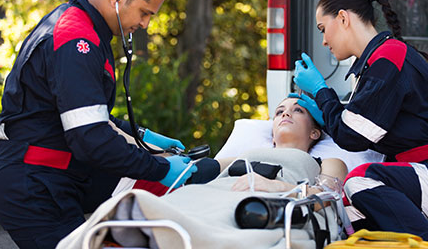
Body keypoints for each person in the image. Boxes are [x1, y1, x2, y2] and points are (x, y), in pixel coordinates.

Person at [0, 0, 197, 248]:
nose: (146, 24)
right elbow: (91, 138)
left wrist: (142, 136)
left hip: (56, 172)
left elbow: (86, 115)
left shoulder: (83, 29)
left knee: (158, 195)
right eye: (145, 12)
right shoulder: (75, 40)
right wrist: (161, 169)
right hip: (31, 183)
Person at [292, 0, 428, 247]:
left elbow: (352, 136)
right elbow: (354, 125)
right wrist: (323, 113)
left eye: (323, 29)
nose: (324, 40)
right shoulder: (377, 63)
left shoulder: (388, 58)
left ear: (343, 18)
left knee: (361, 181)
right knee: (352, 217)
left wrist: (321, 90)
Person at [56, 95, 348, 249]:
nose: (285, 113)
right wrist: (158, 153)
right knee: (162, 206)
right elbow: (190, 172)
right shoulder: (239, 156)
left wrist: (279, 189)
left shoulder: (327, 163)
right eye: (280, 111)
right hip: (206, 195)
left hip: (261, 203)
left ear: (314, 132)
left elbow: (328, 197)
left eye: (297, 111)